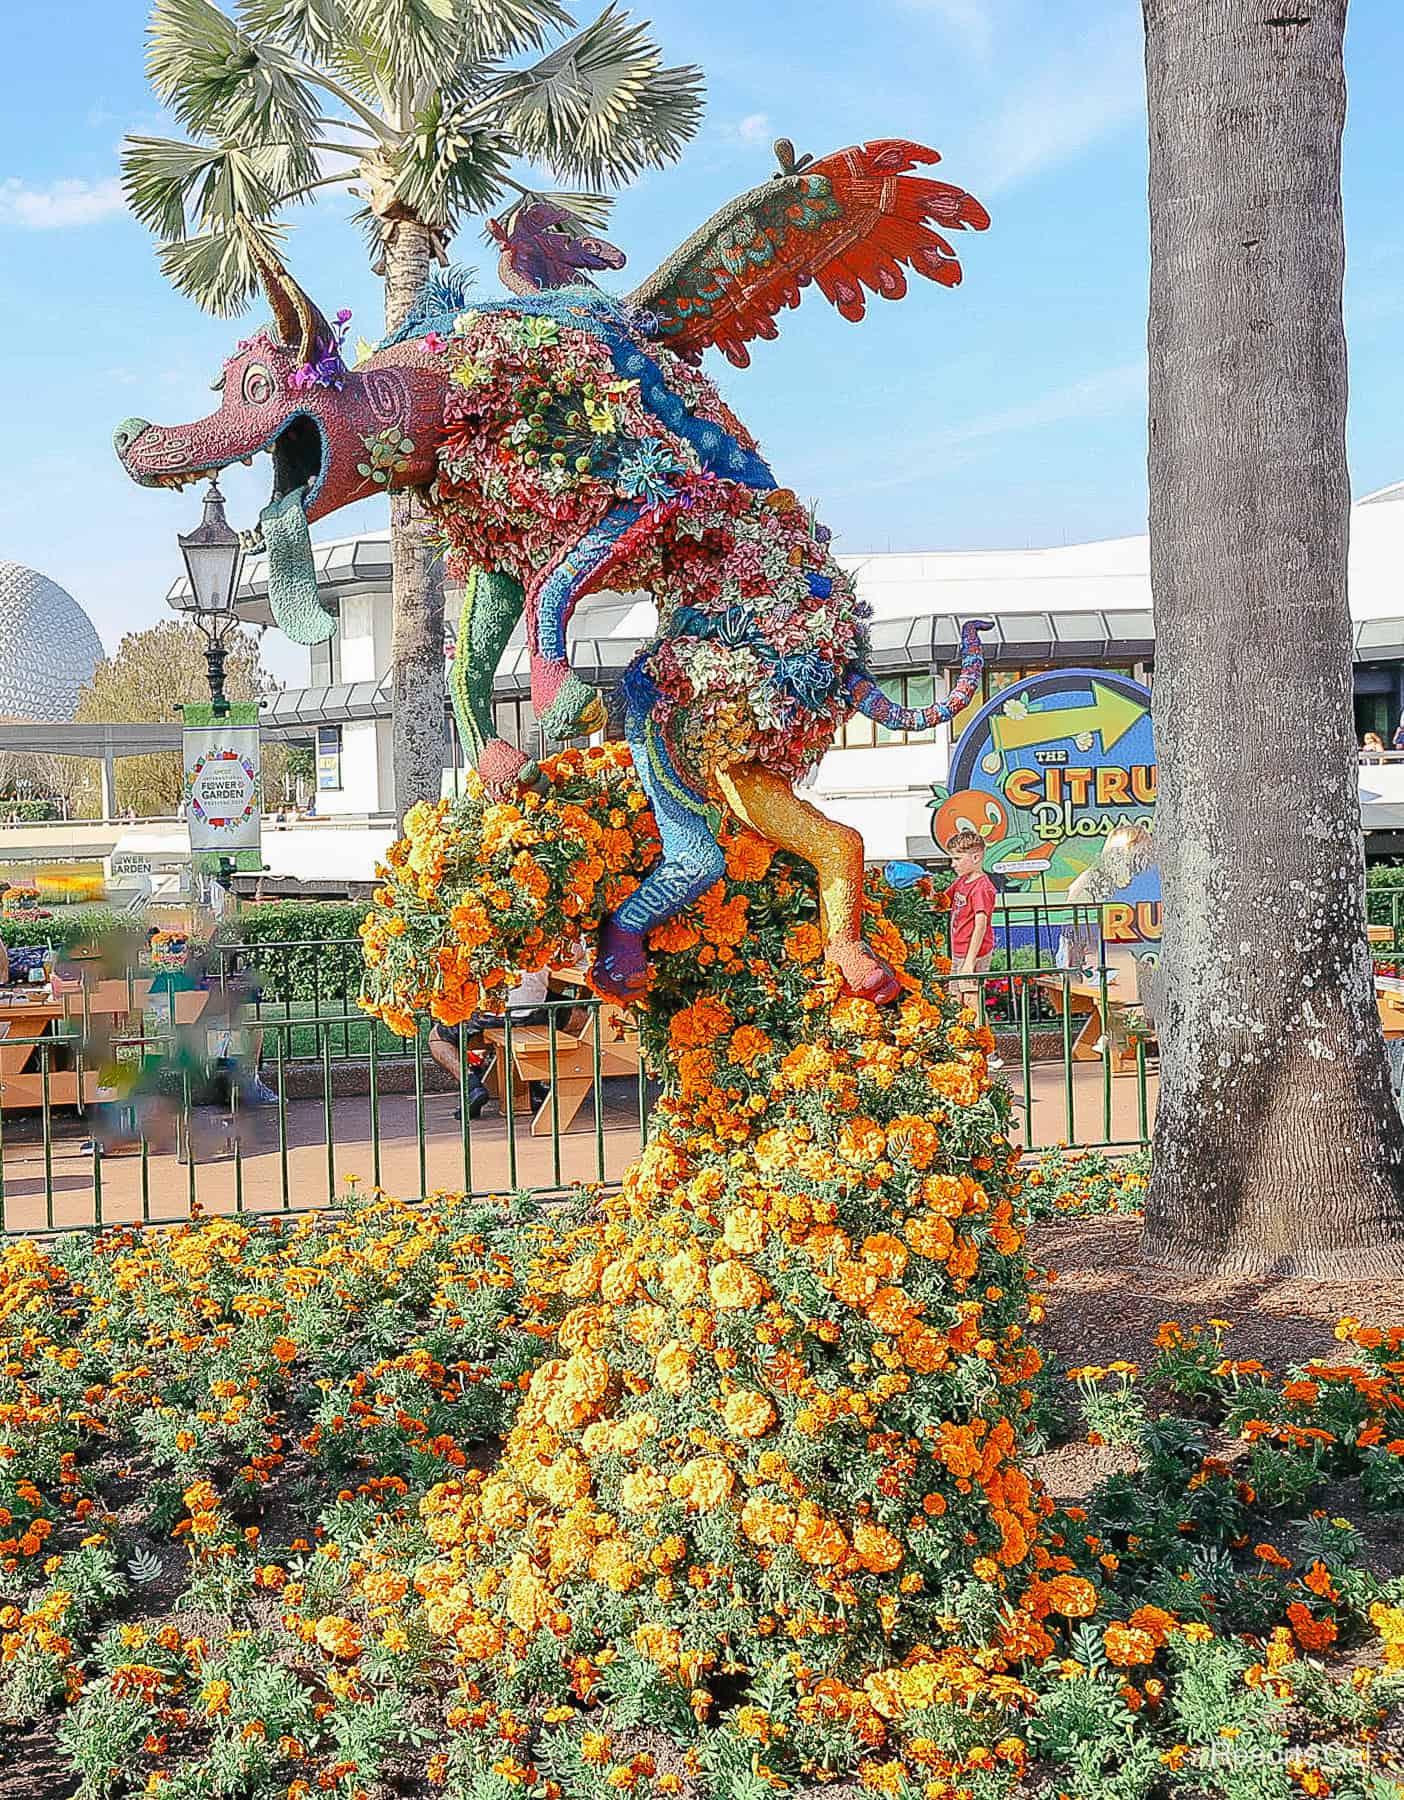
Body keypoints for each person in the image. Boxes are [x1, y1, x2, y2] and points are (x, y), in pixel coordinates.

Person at [429, 967, 552, 1119]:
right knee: (579, 1018)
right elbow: (574, 954)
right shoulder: (543, 944)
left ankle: (471, 1085)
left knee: (437, 1039)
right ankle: (540, 1083)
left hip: (487, 1015)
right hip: (534, 1013)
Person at [944, 828, 997, 1006]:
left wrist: (969, 961)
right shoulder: (962, 881)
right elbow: (942, 902)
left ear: (976, 858)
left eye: (958, 859)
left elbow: (980, 925)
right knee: (955, 999)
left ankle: (983, 1034)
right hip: (960, 952)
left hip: (973, 953)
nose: (953, 864)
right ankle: (965, 1034)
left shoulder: (981, 887)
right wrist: (926, 885)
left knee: (971, 1000)